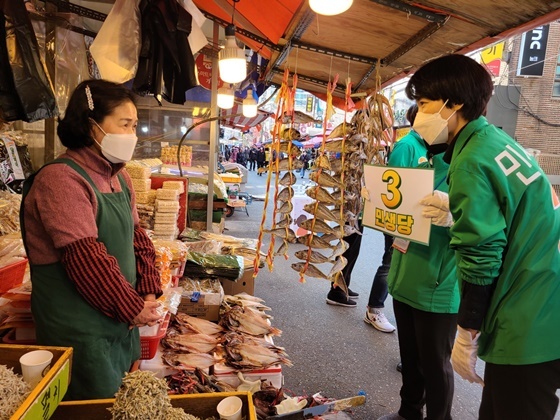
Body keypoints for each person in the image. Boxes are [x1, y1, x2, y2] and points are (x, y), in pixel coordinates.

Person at [406, 54, 560, 420]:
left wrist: (465, 331)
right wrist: (456, 212)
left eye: (425, 104)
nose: (419, 116)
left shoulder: (472, 158)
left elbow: (482, 257)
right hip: (547, 300)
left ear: (454, 103)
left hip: (531, 315)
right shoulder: (495, 141)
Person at [20, 80, 163, 400]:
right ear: (91, 126)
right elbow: (85, 257)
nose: (132, 134)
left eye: (135, 125)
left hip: (119, 320)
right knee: (90, 405)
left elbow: (137, 237)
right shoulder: (61, 179)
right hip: (78, 329)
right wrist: (133, 307)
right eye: (124, 125)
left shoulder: (120, 177)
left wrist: (148, 290)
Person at [378, 132, 459, 420]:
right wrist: (377, 202)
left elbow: (489, 231)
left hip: (437, 288)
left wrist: (458, 216)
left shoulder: (466, 176)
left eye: (427, 104)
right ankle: (408, 412)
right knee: (411, 361)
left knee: (436, 366)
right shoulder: (421, 170)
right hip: (404, 280)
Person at [363, 106, 428, 333]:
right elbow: (394, 184)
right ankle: (374, 308)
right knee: (390, 262)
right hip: (400, 220)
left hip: (418, 221)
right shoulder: (407, 145)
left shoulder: (427, 146)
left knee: (403, 265)